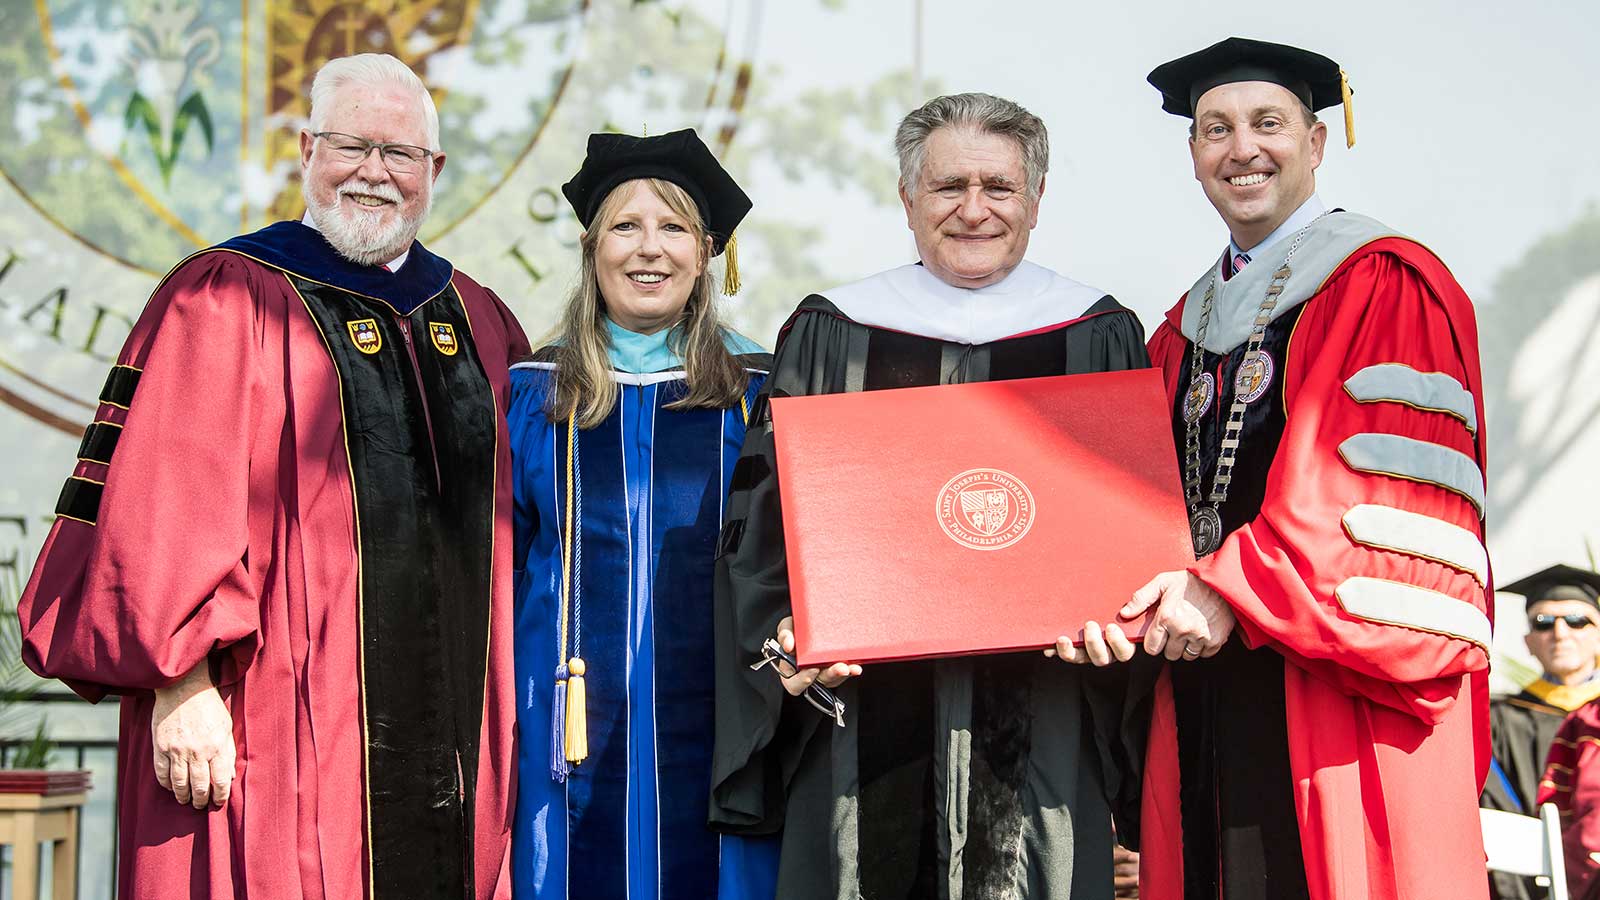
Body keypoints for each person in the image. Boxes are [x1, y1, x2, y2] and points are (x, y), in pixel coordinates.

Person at [17, 53, 528, 899]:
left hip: (455, 745)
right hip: (269, 733)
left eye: (399, 154)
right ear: (304, 150)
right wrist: (178, 687)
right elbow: (158, 513)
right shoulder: (225, 296)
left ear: (433, 171)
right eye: (350, 145)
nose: (374, 172)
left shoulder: (477, 321)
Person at [709, 92, 1152, 898]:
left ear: (1037, 200)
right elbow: (766, 526)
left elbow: (1129, 528)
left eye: (1000, 188)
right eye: (949, 187)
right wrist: (790, 630)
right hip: (861, 739)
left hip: (1046, 727)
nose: (974, 211)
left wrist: (1122, 624)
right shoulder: (833, 328)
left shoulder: (1099, 333)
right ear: (908, 199)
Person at [1119, 37, 1492, 900]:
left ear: (1316, 143)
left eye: (1268, 123)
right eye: (1217, 129)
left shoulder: (1386, 280)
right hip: (1200, 688)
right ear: (1194, 157)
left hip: (1336, 689)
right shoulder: (1178, 329)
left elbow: (1375, 488)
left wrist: (1230, 588)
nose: (1242, 148)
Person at [506, 129, 778, 899]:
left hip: (724, 717)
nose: (648, 249)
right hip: (561, 722)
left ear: (706, 252)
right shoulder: (535, 393)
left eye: (674, 228)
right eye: (626, 226)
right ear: (593, 249)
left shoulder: (760, 389)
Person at [1486, 566, 1600, 900]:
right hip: (1531, 885)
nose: (1561, 633)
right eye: (1544, 623)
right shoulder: (1498, 721)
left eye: (1578, 620)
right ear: (1528, 643)